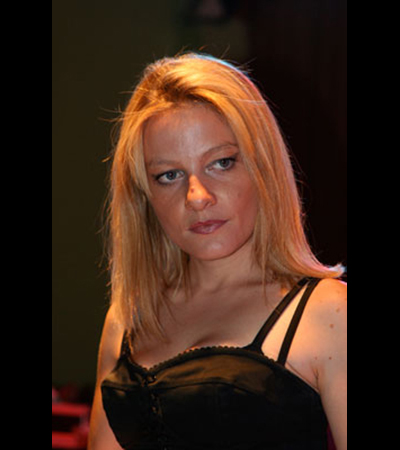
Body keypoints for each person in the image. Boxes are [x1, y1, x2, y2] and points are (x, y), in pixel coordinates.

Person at [88, 53, 347, 450]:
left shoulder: (328, 313)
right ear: (144, 195)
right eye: (169, 175)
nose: (197, 196)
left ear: (263, 167)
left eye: (221, 163)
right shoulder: (128, 317)